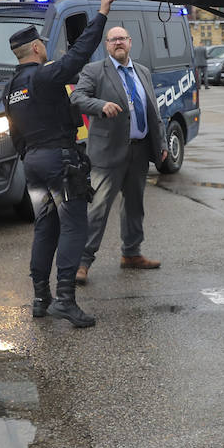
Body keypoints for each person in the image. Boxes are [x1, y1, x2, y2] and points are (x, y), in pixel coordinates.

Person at [4, 0, 113, 328]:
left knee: (45, 228)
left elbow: (14, 134)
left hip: (33, 166)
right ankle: (65, 300)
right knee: (74, 226)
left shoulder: (11, 88)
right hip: (59, 163)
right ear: (36, 47)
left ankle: (41, 299)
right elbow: (78, 54)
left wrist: (31, 156)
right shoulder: (45, 76)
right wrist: (102, 14)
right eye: (43, 46)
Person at [69, 25, 167, 284]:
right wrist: (100, 106)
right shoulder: (94, 70)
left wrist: (162, 143)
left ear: (130, 42)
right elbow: (77, 97)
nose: (118, 43)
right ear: (107, 45)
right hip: (107, 153)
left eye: (122, 38)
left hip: (139, 150)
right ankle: (82, 262)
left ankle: (131, 254)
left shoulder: (142, 71)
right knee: (98, 210)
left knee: (135, 207)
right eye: (113, 40)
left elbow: (154, 112)